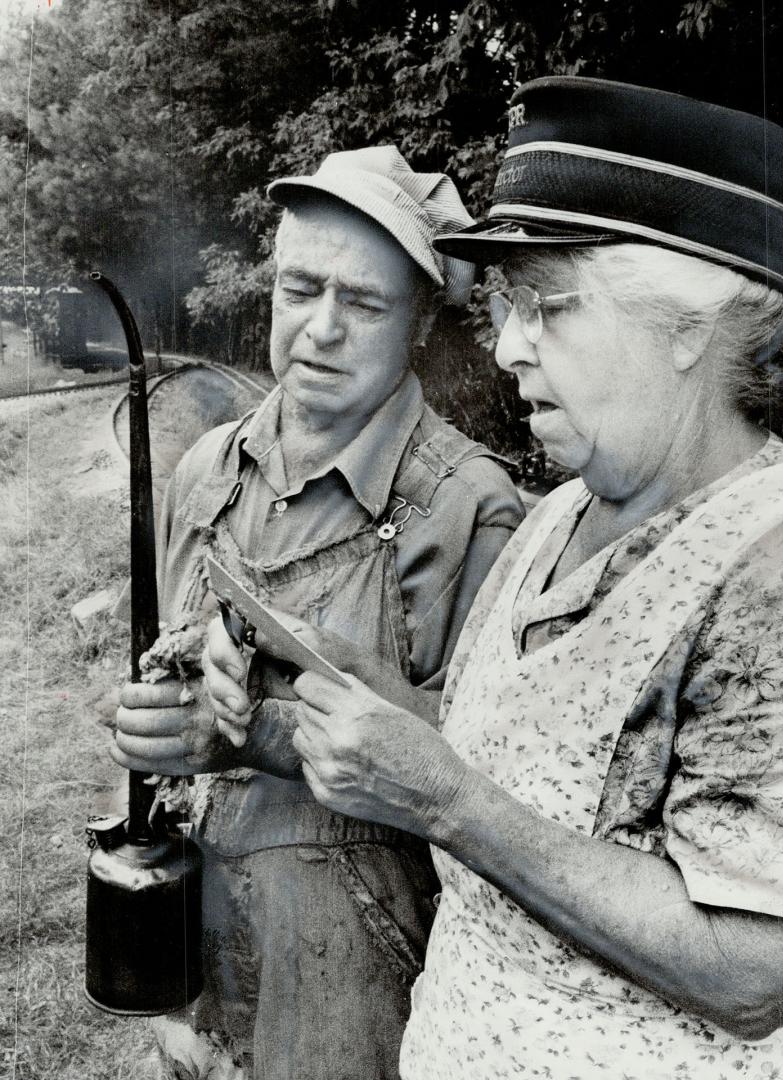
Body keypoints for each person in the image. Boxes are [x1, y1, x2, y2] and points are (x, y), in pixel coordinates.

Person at [203, 78, 783, 1078]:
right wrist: (285, 722)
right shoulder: (565, 507)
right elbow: (500, 759)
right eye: (512, 308)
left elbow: (756, 972)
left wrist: (445, 804)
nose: (509, 348)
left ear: (686, 330)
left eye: (551, 308)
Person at [111, 145, 525, 1080]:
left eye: (365, 303)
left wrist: (252, 729)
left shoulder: (468, 509)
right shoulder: (207, 470)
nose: (322, 329)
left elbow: (492, 791)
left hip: (356, 992)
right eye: (301, 289)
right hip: (194, 952)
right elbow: (166, 696)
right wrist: (153, 719)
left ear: (419, 321)